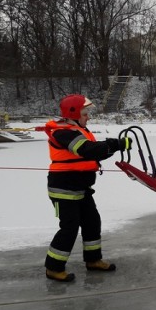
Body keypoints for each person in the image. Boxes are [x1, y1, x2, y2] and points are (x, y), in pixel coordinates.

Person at [43, 94, 131, 282]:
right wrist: (116, 144)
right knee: (70, 227)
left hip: (81, 187)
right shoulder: (64, 132)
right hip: (64, 188)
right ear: (73, 113)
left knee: (92, 221)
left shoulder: (75, 129)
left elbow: (93, 153)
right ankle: (53, 267)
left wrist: (114, 146)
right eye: (85, 114)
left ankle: (93, 260)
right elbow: (87, 150)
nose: (88, 117)